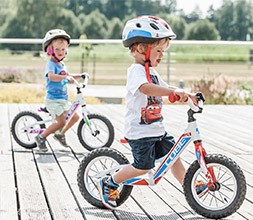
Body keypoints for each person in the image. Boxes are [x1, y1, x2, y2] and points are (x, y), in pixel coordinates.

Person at [97, 15, 206, 210]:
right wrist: (172, 92)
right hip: (140, 133)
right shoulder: (136, 71)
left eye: (163, 51)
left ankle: (189, 186)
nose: (162, 55)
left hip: (156, 130)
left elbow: (164, 88)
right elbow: (146, 89)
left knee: (174, 155)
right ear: (140, 48)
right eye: (158, 50)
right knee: (143, 166)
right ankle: (111, 181)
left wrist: (187, 94)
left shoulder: (152, 72)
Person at [35, 29, 80, 152]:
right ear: (50, 50)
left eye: (63, 49)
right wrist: (66, 77)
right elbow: (51, 76)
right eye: (57, 49)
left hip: (63, 99)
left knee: (75, 117)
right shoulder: (51, 64)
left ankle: (60, 134)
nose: (61, 52)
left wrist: (80, 76)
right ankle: (41, 136)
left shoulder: (62, 65)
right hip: (53, 100)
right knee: (60, 122)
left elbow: (68, 75)